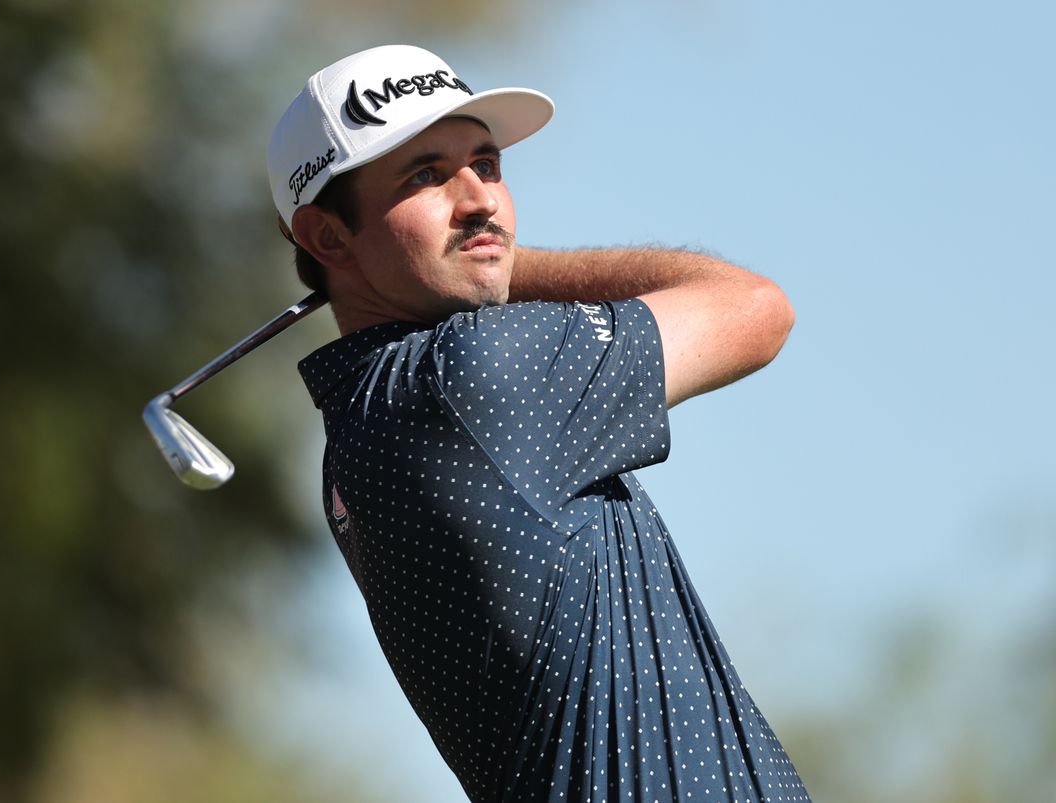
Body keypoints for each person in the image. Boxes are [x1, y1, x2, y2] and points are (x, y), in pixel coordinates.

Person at [268, 44, 811, 802]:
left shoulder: (358, 429)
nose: (481, 199)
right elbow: (757, 309)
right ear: (327, 236)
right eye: (426, 176)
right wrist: (506, 263)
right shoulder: (467, 374)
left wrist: (472, 255)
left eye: (486, 165)